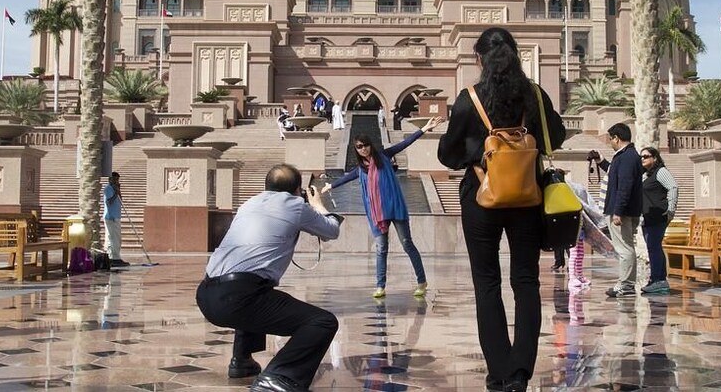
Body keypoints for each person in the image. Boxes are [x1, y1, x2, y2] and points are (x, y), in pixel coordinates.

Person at [437, 27, 565, 392]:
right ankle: (521, 371)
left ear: (480, 59)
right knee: (526, 282)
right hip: (527, 199)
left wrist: (476, 152)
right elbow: (555, 137)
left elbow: (447, 154)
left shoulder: (469, 99)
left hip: (481, 199)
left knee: (487, 284)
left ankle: (500, 372)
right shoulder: (534, 96)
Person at [196, 164, 344, 392]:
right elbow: (331, 230)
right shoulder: (296, 205)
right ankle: (279, 376)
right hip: (237, 298)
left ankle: (241, 361)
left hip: (207, 294)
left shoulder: (250, 203)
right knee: (322, 322)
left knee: (257, 293)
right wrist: (317, 206)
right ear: (297, 189)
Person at [323, 115, 444, 299]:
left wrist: (425, 128)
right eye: (359, 147)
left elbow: (405, 144)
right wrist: (330, 186)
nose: (364, 149)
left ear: (371, 144)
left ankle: (421, 281)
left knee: (407, 244)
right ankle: (380, 286)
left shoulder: (384, 156)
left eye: (365, 145)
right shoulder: (360, 169)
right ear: (356, 149)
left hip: (395, 208)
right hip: (377, 214)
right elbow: (345, 178)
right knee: (381, 249)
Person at [589, 123, 643, 298]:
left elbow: (625, 185)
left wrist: (618, 211)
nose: (610, 142)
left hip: (622, 212)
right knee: (625, 247)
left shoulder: (628, 157)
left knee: (624, 248)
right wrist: (600, 161)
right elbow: (615, 173)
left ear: (617, 138)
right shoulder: (625, 156)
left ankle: (626, 285)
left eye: (611, 138)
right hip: (622, 209)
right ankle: (626, 283)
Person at [640, 146, 677, 295]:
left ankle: (659, 280)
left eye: (646, 156)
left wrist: (670, 210)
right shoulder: (646, 175)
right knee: (653, 247)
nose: (643, 159)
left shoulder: (660, 171)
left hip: (658, 216)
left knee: (654, 247)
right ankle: (658, 279)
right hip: (648, 217)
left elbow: (673, 187)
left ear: (655, 158)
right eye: (641, 157)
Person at [102, 172, 128, 267]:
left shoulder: (115, 189)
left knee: (117, 238)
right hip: (111, 217)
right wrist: (115, 192)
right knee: (112, 238)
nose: (116, 181)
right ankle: (113, 258)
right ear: (110, 180)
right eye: (114, 179)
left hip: (116, 216)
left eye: (117, 179)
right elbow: (109, 202)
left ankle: (115, 256)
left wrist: (118, 191)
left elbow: (120, 201)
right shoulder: (108, 189)